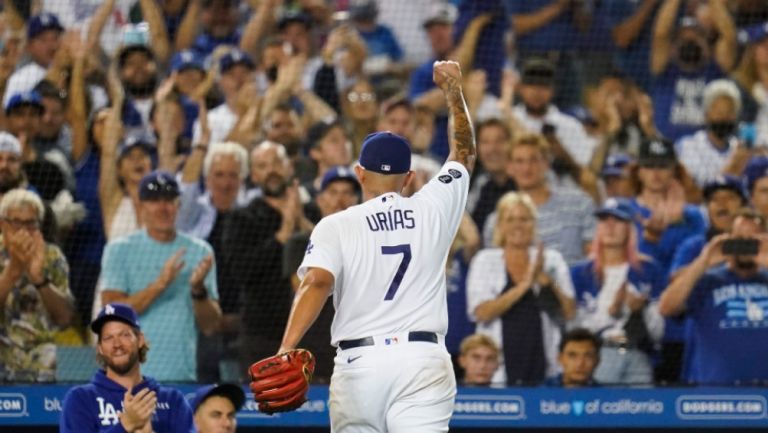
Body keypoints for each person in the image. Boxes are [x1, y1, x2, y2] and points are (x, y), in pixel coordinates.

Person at [269, 60, 474, 432]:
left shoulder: (336, 225)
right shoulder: (432, 210)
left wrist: (286, 347)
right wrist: (453, 90)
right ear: (409, 178)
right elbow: (463, 154)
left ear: (360, 173)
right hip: (422, 360)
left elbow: (315, 283)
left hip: (360, 365)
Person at [100, 171, 221, 381]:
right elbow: (111, 313)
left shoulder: (200, 251)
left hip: (181, 376)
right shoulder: (119, 250)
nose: (163, 208)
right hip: (128, 377)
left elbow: (210, 326)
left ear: (179, 205)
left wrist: (198, 291)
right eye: (155, 200)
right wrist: (160, 285)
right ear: (141, 205)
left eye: (169, 200)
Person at [468, 191, 576, 386]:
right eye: (510, 219)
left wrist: (547, 282)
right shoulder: (485, 260)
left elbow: (568, 313)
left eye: (524, 219)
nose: (517, 225)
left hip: (543, 362)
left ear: (534, 224)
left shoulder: (552, 260)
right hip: (499, 366)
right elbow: (481, 312)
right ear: (500, 225)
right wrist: (524, 285)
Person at [659, 208, 768, 385]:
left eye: (753, 240)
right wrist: (704, 261)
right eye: (739, 240)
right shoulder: (707, 280)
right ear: (727, 240)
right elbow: (666, 307)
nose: (746, 247)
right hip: (716, 392)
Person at [570, 198, 665, 385]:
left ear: (630, 228)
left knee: (643, 411)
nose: (610, 226)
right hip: (598, 355)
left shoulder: (648, 270)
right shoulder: (580, 273)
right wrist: (611, 313)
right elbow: (574, 329)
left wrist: (640, 311)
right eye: (604, 220)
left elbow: (658, 331)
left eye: (618, 220)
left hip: (639, 354)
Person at [60, 303, 195, 433]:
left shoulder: (172, 400)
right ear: (100, 347)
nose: (117, 344)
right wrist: (126, 424)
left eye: (124, 335)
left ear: (140, 340)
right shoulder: (80, 399)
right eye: (108, 338)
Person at [0, 189, 73, 382]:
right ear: (2, 225)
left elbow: (64, 318)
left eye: (31, 224)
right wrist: (12, 271)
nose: (23, 231)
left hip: (40, 357)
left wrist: (38, 277)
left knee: (48, 356)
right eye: (16, 223)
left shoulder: (52, 256)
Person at [675, 79, 746, 187]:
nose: (724, 118)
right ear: (706, 114)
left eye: (729, 112)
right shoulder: (687, 146)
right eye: (719, 112)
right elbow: (692, 192)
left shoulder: (740, 149)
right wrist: (734, 164)